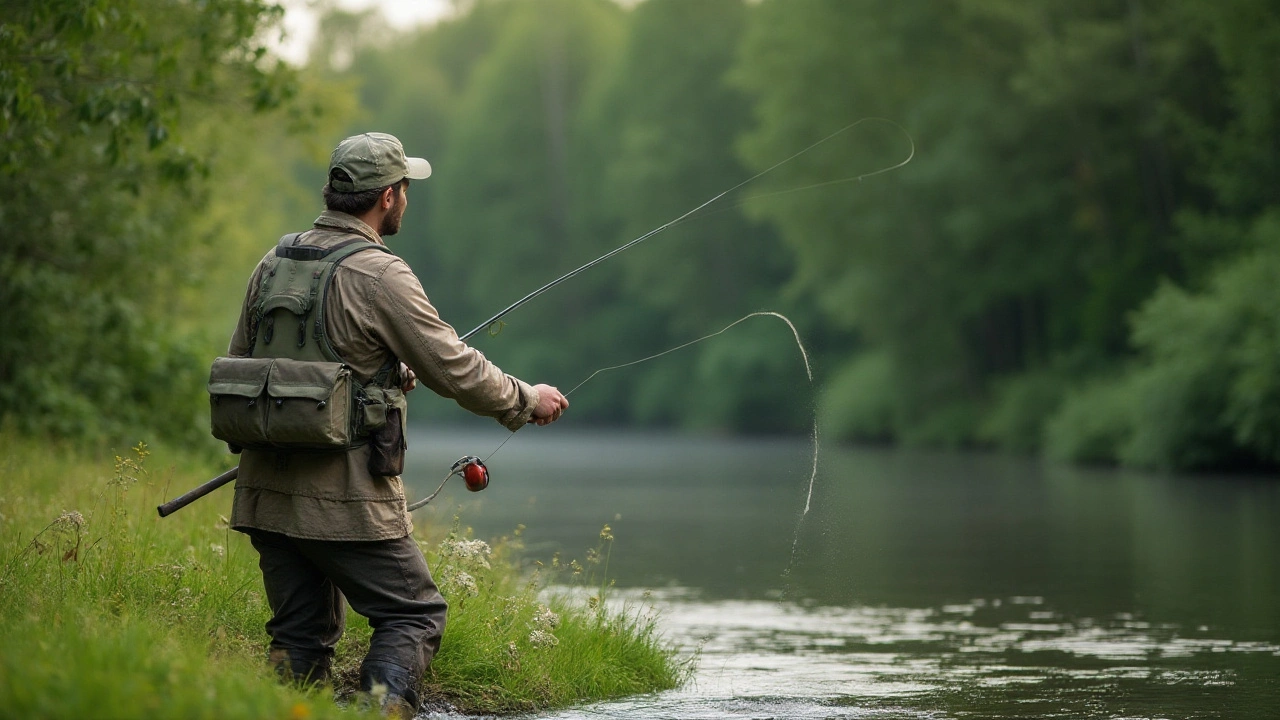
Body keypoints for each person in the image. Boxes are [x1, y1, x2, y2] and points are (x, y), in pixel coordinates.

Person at [224, 132, 569, 718]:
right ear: (387, 197)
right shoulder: (381, 274)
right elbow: (453, 366)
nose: (407, 197)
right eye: (405, 186)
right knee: (413, 613)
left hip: (265, 495)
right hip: (345, 498)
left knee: (299, 640)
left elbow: (247, 362)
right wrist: (523, 398)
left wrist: (379, 374)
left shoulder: (272, 262)